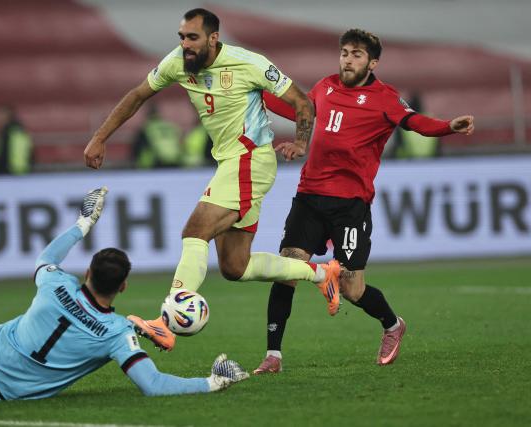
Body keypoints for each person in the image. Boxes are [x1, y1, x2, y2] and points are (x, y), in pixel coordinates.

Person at [83, 8, 341, 352]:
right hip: (229, 164)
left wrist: (300, 142)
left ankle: (165, 321)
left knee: (195, 231)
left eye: (193, 38)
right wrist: (100, 138)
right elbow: (137, 95)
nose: (185, 45)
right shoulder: (177, 62)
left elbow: (301, 102)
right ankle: (324, 275)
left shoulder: (248, 63)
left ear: (213, 38)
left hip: (251, 159)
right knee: (235, 266)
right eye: (182, 37)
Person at [0, 186, 248, 403]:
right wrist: (214, 381)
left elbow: (46, 257)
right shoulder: (117, 333)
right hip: (14, 392)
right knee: (10, 378)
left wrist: (83, 223)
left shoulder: (55, 283)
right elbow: (153, 386)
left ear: (87, 272)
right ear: (123, 286)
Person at [254, 29, 475, 374]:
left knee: (352, 288)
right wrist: (257, 92)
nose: (347, 59)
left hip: (350, 206)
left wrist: (449, 126)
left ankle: (391, 325)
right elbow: (299, 109)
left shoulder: (385, 97)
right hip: (310, 197)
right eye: (344, 52)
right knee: (286, 271)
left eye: (356, 54)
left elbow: (415, 122)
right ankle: (273, 356)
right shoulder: (325, 86)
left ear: (372, 62)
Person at [132, 103, 182, 169]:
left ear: (148, 116)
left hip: (158, 162)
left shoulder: (147, 128)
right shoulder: (170, 126)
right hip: (176, 160)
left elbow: (138, 148)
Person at [0, 105, 34, 175]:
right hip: (17, 168)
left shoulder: (10, 130)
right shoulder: (18, 129)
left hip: (10, 170)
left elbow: (5, 151)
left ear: (8, 115)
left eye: (1, 114)